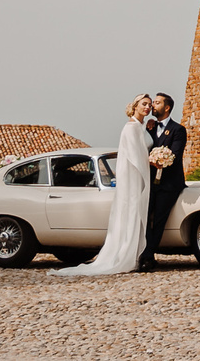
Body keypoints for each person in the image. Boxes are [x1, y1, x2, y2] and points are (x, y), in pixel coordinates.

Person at [52, 95, 153, 277]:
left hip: (140, 176)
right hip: (132, 176)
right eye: (144, 104)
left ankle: (136, 254)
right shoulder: (130, 128)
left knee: (137, 212)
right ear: (135, 106)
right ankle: (125, 255)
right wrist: (153, 162)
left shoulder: (142, 127)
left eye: (150, 105)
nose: (147, 107)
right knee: (130, 211)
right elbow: (135, 156)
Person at [138, 93, 188, 270]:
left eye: (157, 103)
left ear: (166, 108)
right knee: (144, 217)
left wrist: (160, 160)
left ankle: (148, 255)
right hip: (149, 183)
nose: (153, 106)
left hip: (169, 184)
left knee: (158, 220)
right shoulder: (149, 127)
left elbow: (175, 154)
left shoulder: (178, 130)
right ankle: (144, 254)